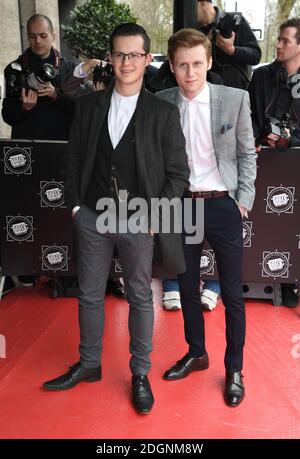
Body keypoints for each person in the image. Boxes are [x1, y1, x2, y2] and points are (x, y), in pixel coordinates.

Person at [42, 23, 190, 414]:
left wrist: (158, 213)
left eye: (134, 55)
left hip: (139, 219)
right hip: (92, 215)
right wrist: (75, 207)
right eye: (119, 54)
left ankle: (140, 373)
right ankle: (89, 364)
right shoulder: (89, 106)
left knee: (141, 296)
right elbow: (73, 159)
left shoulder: (163, 111)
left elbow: (178, 174)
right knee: (89, 295)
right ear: (111, 58)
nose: (126, 62)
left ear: (146, 59)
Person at [158, 29, 257, 406]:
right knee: (185, 287)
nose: (190, 72)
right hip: (182, 205)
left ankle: (234, 368)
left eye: (197, 63)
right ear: (171, 66)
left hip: (222, 204)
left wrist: (242, 200)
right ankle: (196, 352)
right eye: (182, 65)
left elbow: (248, 153)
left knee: (231, 290)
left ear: (209, 62)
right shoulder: (161, 102)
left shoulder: (235, 99)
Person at [1, 14, 76, 287]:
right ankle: (27, 267)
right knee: (26, 210)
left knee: (61, 212)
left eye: (43, 35)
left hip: (61, 150)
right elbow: (7, 114)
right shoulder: (15, 69)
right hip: (25, 154)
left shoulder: (69, 68)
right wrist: (24, 108)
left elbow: (81, 110)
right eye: (32, 36)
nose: (38, 41)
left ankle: (64, 269)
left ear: (53, 35)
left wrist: (56, 96)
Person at [248, 18, 300, 308]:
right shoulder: (262, 76)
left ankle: (292, 281)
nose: (278, 45)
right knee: (267, 224)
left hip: (296, 161)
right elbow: (251, 115)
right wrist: (259, 137)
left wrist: (289, 141)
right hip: (262, 161)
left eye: (285, 41)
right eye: (278, 40)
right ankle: (271, 279)